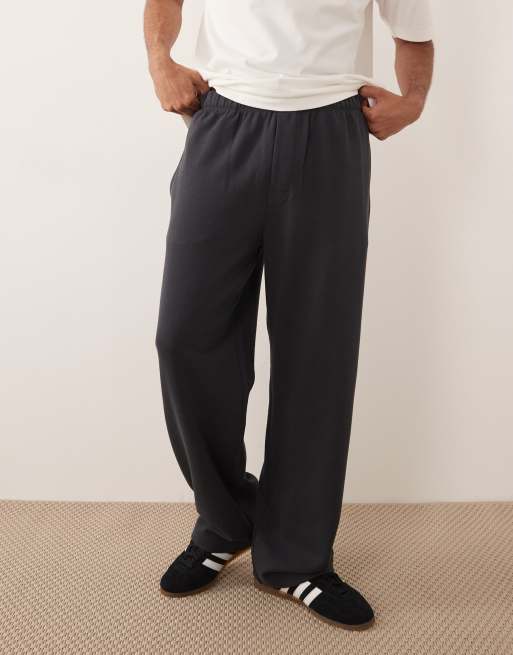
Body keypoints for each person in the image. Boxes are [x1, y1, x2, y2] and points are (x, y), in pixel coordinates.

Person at [144, 0, 434, 630]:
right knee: (184, 337)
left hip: (329, 132)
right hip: (225, 121)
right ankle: (227, 518)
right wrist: (161, 61)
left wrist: (412, 100)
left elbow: (415, 32)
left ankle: (297, 557)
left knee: (318, 352)